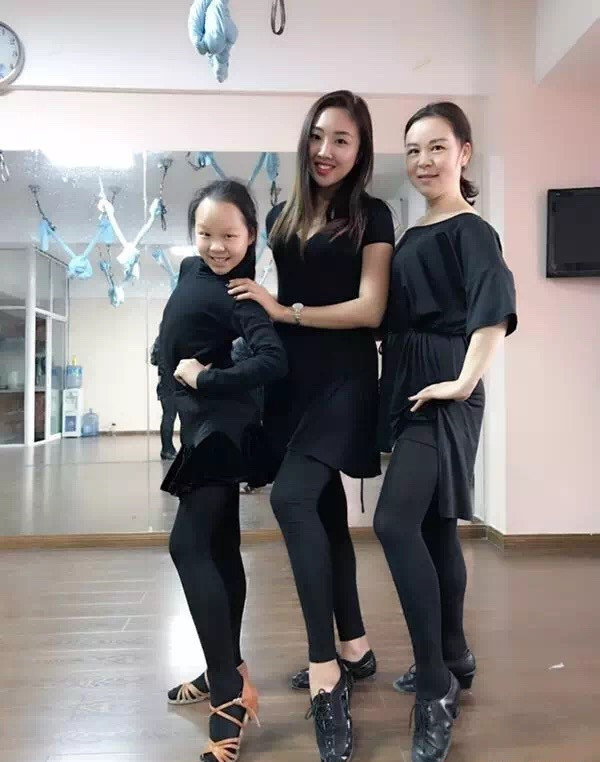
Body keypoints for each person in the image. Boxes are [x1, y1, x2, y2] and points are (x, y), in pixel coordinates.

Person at [226, 90, 395, 762]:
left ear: (360, 151)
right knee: (323, 513)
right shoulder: (280, 214)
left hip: (345, 379)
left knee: (293, 499)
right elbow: (249, 289)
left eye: (342, 140)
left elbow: (371, 309)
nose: (326, 150)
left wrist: (285, 311)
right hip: (291, 382)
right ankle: (355, 646)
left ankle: (326, 674)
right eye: (319, 136)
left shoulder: (372, 214)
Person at [375, 102, 517, 762]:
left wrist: (460, 383)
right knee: (433, 528)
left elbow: (494, 311)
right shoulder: (411, 235)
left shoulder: (473, 231)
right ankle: (454, 653)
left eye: (436, 147)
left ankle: (436, 687)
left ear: (463, 153)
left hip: (443, 392)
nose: (424, 161)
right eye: (413, 151)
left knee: (393, 522)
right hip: (412, 385)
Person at [160, 179, 287, 762]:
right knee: (220, 547)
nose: (216, 246)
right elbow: (178, 337)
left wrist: (205, 378)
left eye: (230, 235)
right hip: (200, 427)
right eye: (205, 233)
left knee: (187, 546)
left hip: (221, 431)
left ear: (251, 235)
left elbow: (272, 360)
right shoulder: (191, 271)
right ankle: (224, 668)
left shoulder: (241, 295)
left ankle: (229, 692)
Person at [150, 331, 178, 460]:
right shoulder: (179, 336)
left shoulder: (159, 339)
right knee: (185, 417)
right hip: (178, 381)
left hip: (164, 383)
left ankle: (166, 449)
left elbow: (154, 361)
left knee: (168, 416)